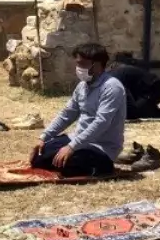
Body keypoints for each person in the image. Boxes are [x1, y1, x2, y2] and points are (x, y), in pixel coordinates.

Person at [32, 43, 126, 177]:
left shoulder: (112, 87)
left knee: (69, 164)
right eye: (78, 64)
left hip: (100, 146)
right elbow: (67, 114)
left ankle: (101, 166)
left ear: (97, 64)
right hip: (77, 139)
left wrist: (71, 147)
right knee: (38, 156)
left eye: (83, 64)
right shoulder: (82, 86)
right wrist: (44, 136)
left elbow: (101, 123)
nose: (79, 68)